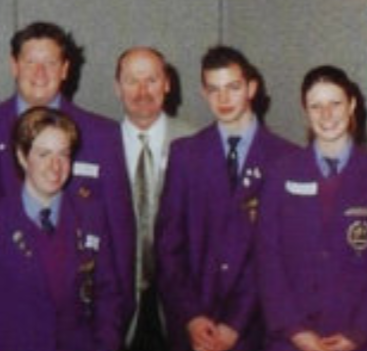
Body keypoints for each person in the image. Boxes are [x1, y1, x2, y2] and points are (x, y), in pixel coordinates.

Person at [0, 21, 136, 344]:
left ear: (64, 70)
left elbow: (119, 243)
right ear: (13, 65)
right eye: (30, 61)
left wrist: (111, 336)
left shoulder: (102, 135)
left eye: (50, 63)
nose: (39, 72)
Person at [155, 44, 297, 351]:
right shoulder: (185, 154)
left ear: (252, 88)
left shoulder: (285, 159)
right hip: (195, 330)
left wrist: (235, 323)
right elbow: (168, 248)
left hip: (256, 328)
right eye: (214, 89)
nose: (223, 99)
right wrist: (191, 317)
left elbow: (280, 258)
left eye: (233, 87)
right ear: (204, 93)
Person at [257, 65, 367, 351]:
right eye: (315, 106)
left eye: (335, 104)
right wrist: (295, 330)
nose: (326, 115)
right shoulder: (280, 173)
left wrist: (358, 333)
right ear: (305, 111)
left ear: (352, 104)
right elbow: (268, 260)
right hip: (290, 337)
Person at [0, 107, 121, 351]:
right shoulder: (4, 219)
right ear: (22, 157)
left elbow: (108, 294)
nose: (55, 166)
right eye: (44, 154)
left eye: (63, 155)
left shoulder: (90, 216)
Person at [114, 46, 195, 351]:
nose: (142, 90)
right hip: (118, 308)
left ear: (167, 84)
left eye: (151, 79)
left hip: (180, 309)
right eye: (132, 80)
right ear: (117, 87)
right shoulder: (96, 146)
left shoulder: (195, 144)